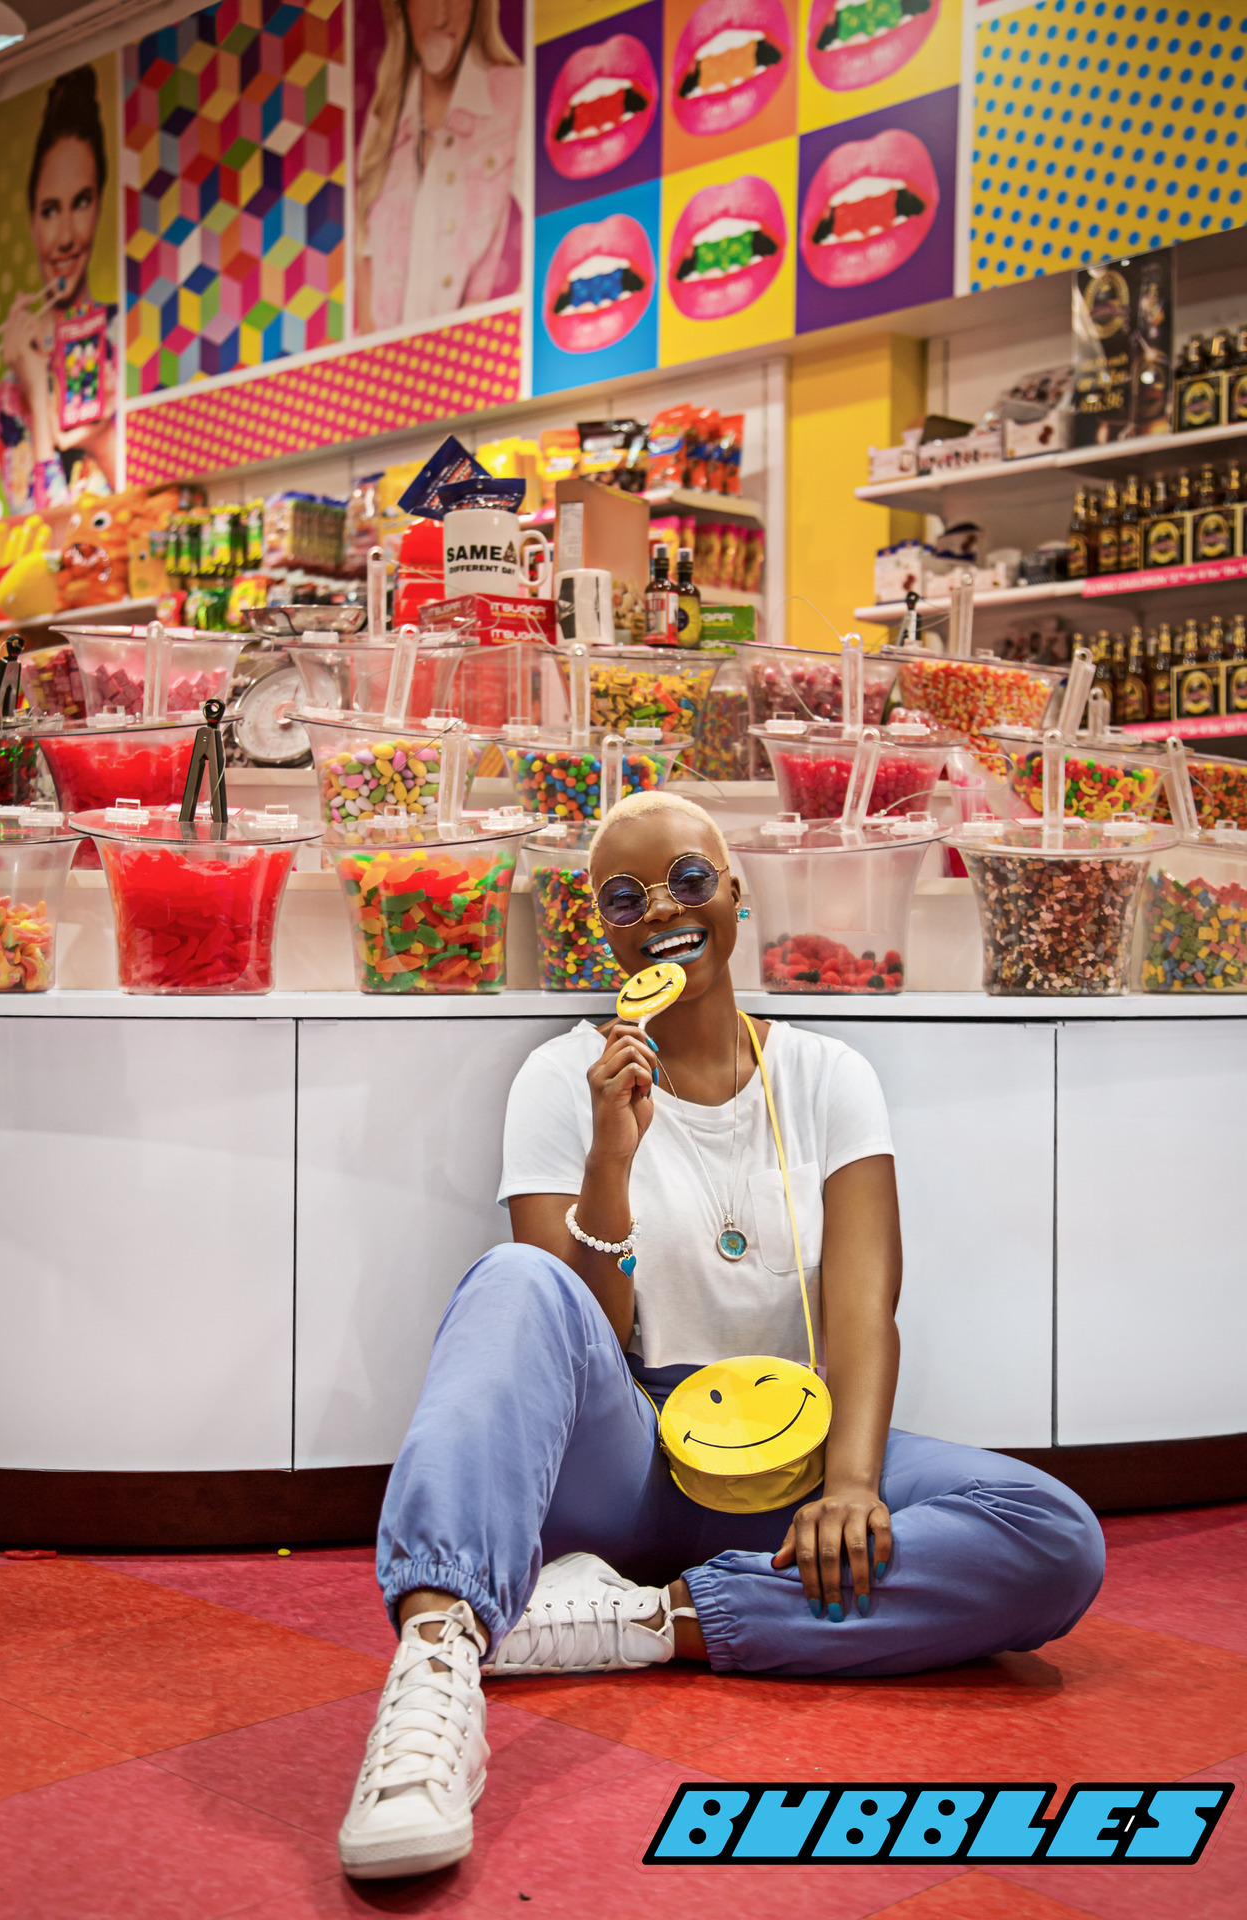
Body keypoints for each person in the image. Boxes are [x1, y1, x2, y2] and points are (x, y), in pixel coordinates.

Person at [338, 791, 1106, 1880]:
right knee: (513, 1277)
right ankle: (435, 1663)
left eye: (688, 881)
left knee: (1052, 1538)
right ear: (602, 928)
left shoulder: (828, 1076)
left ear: (734, 892)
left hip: (791, 1457)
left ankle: (638, 1621)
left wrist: (850, 1484)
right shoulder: (562, 1078)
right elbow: (573, 1337)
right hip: (631, 1454)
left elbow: (864, 1308)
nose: (661, 910)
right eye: (625, 898)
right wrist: (609, 1160)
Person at [0, 66, 117, 513]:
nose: (65, 237)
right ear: (31, 220)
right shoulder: (11, 396)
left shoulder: (120, 343)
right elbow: (42, 530)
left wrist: (99, 439)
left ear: (99, 204)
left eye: (80, 202)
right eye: (49, 210)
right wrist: (33, 384)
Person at [354, 0, 523, 334]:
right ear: (403, 9)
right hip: (388, 359)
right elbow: (362, 258)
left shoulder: (513, 93)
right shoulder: (383, 117)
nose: (441, 17)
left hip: (471, 354)